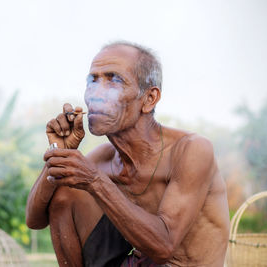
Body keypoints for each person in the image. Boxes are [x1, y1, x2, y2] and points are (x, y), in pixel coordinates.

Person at [26, 41, 230, 267]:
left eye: (114, 80)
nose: (96, 94)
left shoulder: (191, 149)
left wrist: (95, 181)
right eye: (93, 80)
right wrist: (60, 151)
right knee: (64, 192)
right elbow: (34, 220)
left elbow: (163, 247)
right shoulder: (104, 158)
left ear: (149, 99)